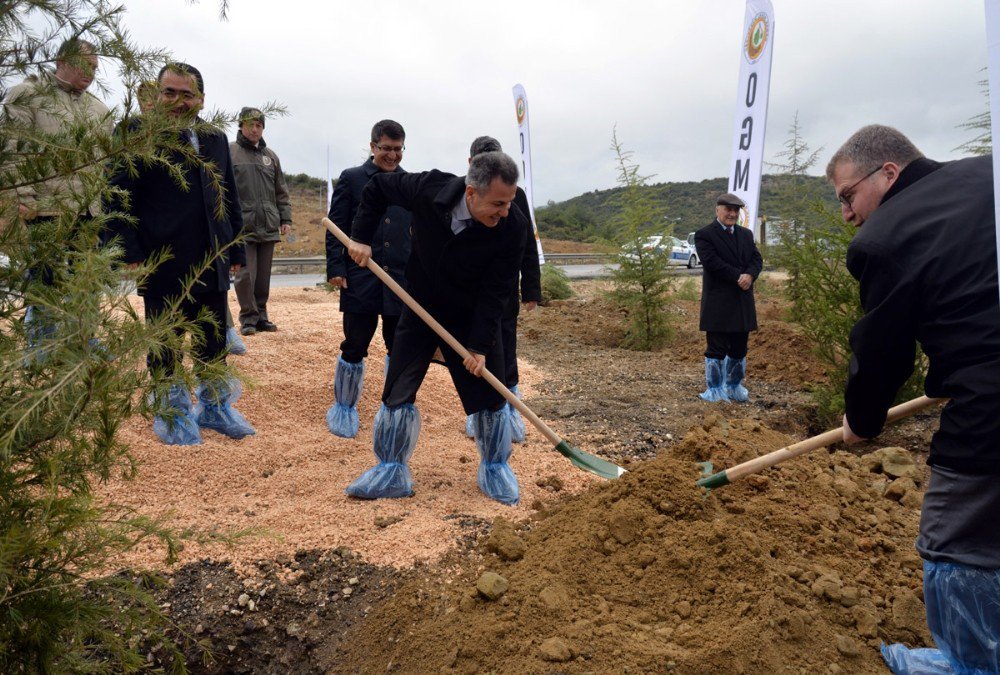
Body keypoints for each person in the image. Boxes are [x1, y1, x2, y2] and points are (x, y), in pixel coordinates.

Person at [827, 124, 1000, 674]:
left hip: (991, 404)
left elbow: (884, 349)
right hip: (981, 374)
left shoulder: (886, 238)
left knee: (955, 540)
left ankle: (968, 664)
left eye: (848, 196)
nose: (847, 214)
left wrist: (862, 419)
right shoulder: (987, 173)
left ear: (890, 173)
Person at [343, 151, 527, 505]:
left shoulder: (512, 227)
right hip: (420, 304)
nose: (505, 211)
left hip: (472, 314)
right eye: (498, 203)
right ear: (471, 193)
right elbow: (378, 187)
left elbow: (497, 292)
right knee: (398, 388)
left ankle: (494, 469)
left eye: (510, 201)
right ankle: (390, 471)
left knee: (489, 395)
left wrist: (479, 346)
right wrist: (361, 237)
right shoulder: (429, 189)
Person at [106, 62, 254, 445]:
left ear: (201, 100)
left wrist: (234, 246)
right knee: (166, 341)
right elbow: (116, 194)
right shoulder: (136, 134)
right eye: (169, 92)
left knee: (212, 337)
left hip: (211, 255)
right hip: (163, 257)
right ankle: (172, 411)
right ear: (156, 96)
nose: (177, 101)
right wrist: (129, 250)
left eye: (186, 94)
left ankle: (216, 408)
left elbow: (229, 196)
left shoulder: (215, 138)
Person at [4, 38, 112, 346]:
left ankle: (84, 342)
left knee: (87, 282)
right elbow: (13, 152)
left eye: (94, 67)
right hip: (45, 210)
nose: (91, 73)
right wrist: (23, 200)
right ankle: (41, 348)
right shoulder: (27, 95)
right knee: (44, 283)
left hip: (88, 211)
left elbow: (104, 164)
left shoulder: (99, 110)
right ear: (61, 60)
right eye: (85, 65)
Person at [325, 120, 412, 438]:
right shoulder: (352, 178)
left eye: (398, 149)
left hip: (399, 280)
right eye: (386, 148)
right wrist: (336, 268)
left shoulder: (408, 183)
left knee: (398, 346)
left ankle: (394, 408)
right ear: (373, 146)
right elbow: (337, 226)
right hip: (362, 277)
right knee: (355, 343)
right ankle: (344, 406)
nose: (392, 155)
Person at [463, 136, 541, 443]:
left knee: (506, 351)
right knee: (472, 355)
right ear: (471, 165)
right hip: (469, 294)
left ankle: (511, 413)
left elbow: (527, 247)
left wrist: (531, 289)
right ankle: (477, 416)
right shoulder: (464, 194)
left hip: (504, 292)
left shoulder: (514, 195)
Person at [693, 193, 763, 402]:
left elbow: (756, 258)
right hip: (719, 302)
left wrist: (750, 275)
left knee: (739, 347)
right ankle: (714, 390)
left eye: (736, 210)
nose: (732, 214)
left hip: (742, 301)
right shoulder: (705, 235)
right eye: (728, 209)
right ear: (718, 210)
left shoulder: (745, 235)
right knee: (717, 348)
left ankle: (733, 386)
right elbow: (712, 262)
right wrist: (738, 277)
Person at [230, 106, 292, 336]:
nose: (255, 129)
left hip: (268, 223)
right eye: (250, 125)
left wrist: (285, 218)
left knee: (263, 275)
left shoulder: (271, 157)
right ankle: (247, 317)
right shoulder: (230, 152)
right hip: (242, 225)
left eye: (259, 125)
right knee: (245, 274)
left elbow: (281, 191)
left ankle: (261, 316)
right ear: (241, 126)